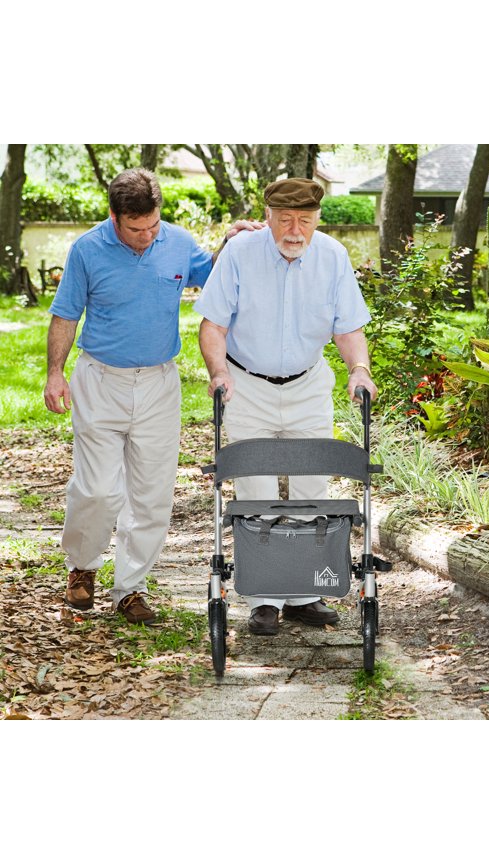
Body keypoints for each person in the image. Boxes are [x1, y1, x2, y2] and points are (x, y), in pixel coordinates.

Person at [44, 167, 262, 625]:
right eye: (135, 229)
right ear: (114, 217)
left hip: (160, 383)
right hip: (101, 379)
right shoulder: (87, 249)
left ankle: (131, 588)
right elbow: (66, 314)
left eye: (153, 226)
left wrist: (233, 240)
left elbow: (213, 274)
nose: (146, 236)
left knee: (152, 494)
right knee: (99, 489)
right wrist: (55, 373)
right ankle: (82, 567)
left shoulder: (177, 242)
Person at [195, 177, 377, 636]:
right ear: (268, 218)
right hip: (247, 385)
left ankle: (303, 592)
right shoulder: (239, 254)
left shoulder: (333, 256)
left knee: (310, 486)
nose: (295, 230)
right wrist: (219, 373)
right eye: (285, 220)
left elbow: (348, 327)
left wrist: (359, 368)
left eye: (306, 220)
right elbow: (212, 326)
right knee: (254, 491)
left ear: (317, 219)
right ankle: (263, 597)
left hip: (307, 384)